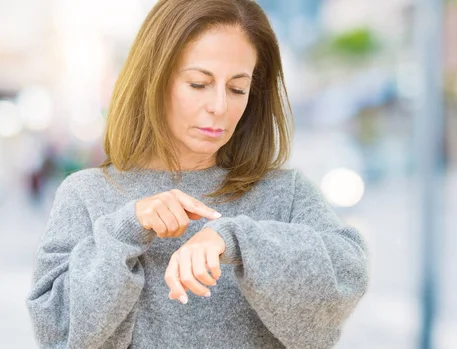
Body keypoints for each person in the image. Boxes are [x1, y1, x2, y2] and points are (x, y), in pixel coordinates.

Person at [26, 0, 370, 348]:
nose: (220, 106)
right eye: (198, 83)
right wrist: (124, 231)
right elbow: (58, 333)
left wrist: (236, 240)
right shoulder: (86, 195)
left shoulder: (285, 193)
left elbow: (347, 274)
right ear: (154, 79)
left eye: (237, 89)